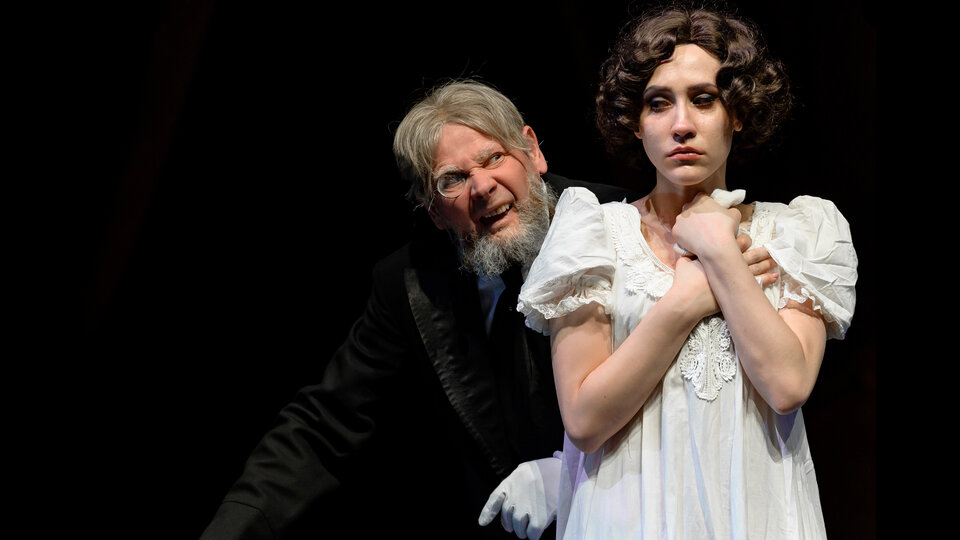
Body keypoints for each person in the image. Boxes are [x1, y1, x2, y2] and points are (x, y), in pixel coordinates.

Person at [198, 80, 644, 540]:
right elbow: (326, 424)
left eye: (494, 158)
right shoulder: (410, 282)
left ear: (532, 151)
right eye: (453, 179)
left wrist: (570, 472)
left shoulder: (625, 224)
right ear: (433, 211)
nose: (482, 186)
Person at [515, 5, 858, 539]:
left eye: (704, 99)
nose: (681, 125)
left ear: (737, 112)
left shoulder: (800, 231)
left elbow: (787, 385)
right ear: (636, 123)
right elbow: (583, 420)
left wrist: (719, 252)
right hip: (627, 519)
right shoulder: (593, 234)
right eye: (658, 104)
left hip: (755, 516)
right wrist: (688, 298)